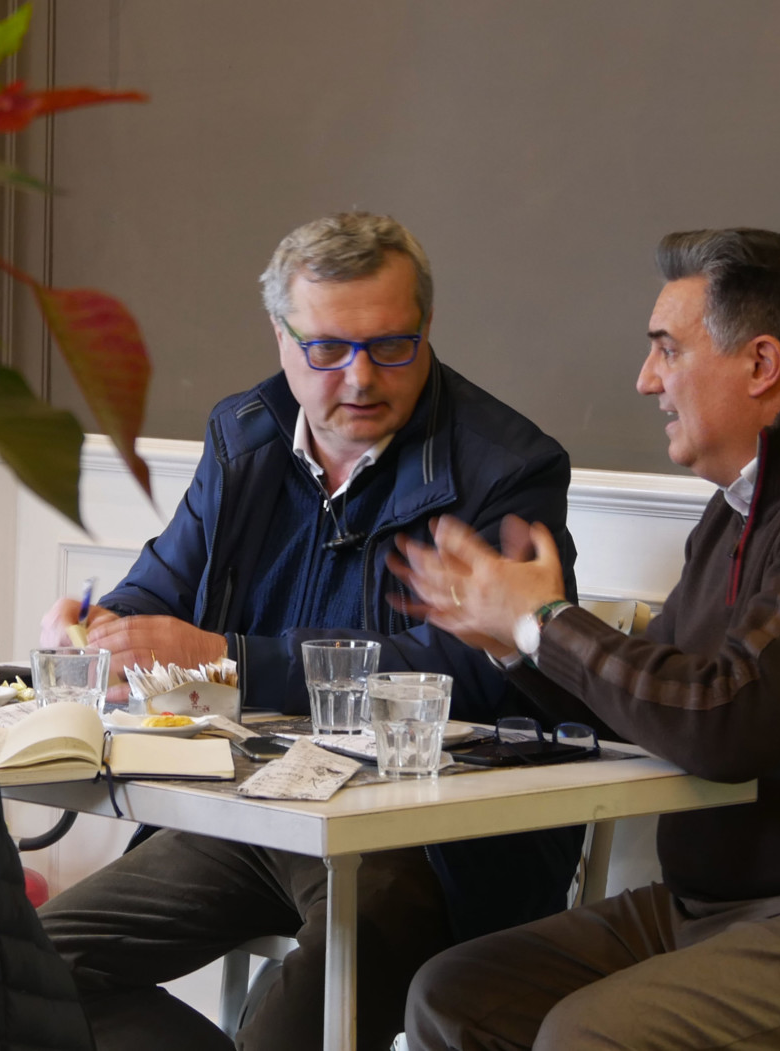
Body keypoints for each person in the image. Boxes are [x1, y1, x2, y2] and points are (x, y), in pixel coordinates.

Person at [391, 228, 780, 1051]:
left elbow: (726, 721)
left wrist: (544, 620)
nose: (646, 378)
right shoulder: (737, 507)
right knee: (454, 995)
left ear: (761, 363)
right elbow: (653, 705)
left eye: (667, 349)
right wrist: (514, 640)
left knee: (590, 1035)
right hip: (722, 906)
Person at [37, 212, 583, 1051]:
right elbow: (160, 590)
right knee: (28, 971)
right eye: (327, 348)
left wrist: (227, 658)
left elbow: (470, 672)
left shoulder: (505, 466)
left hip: (426, 843)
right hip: (257, 809)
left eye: (391, 345)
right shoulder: (244, 434)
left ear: (427, 326)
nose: (360, 378)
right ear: (281, 337)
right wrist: (99, 628)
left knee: (294, 1020)